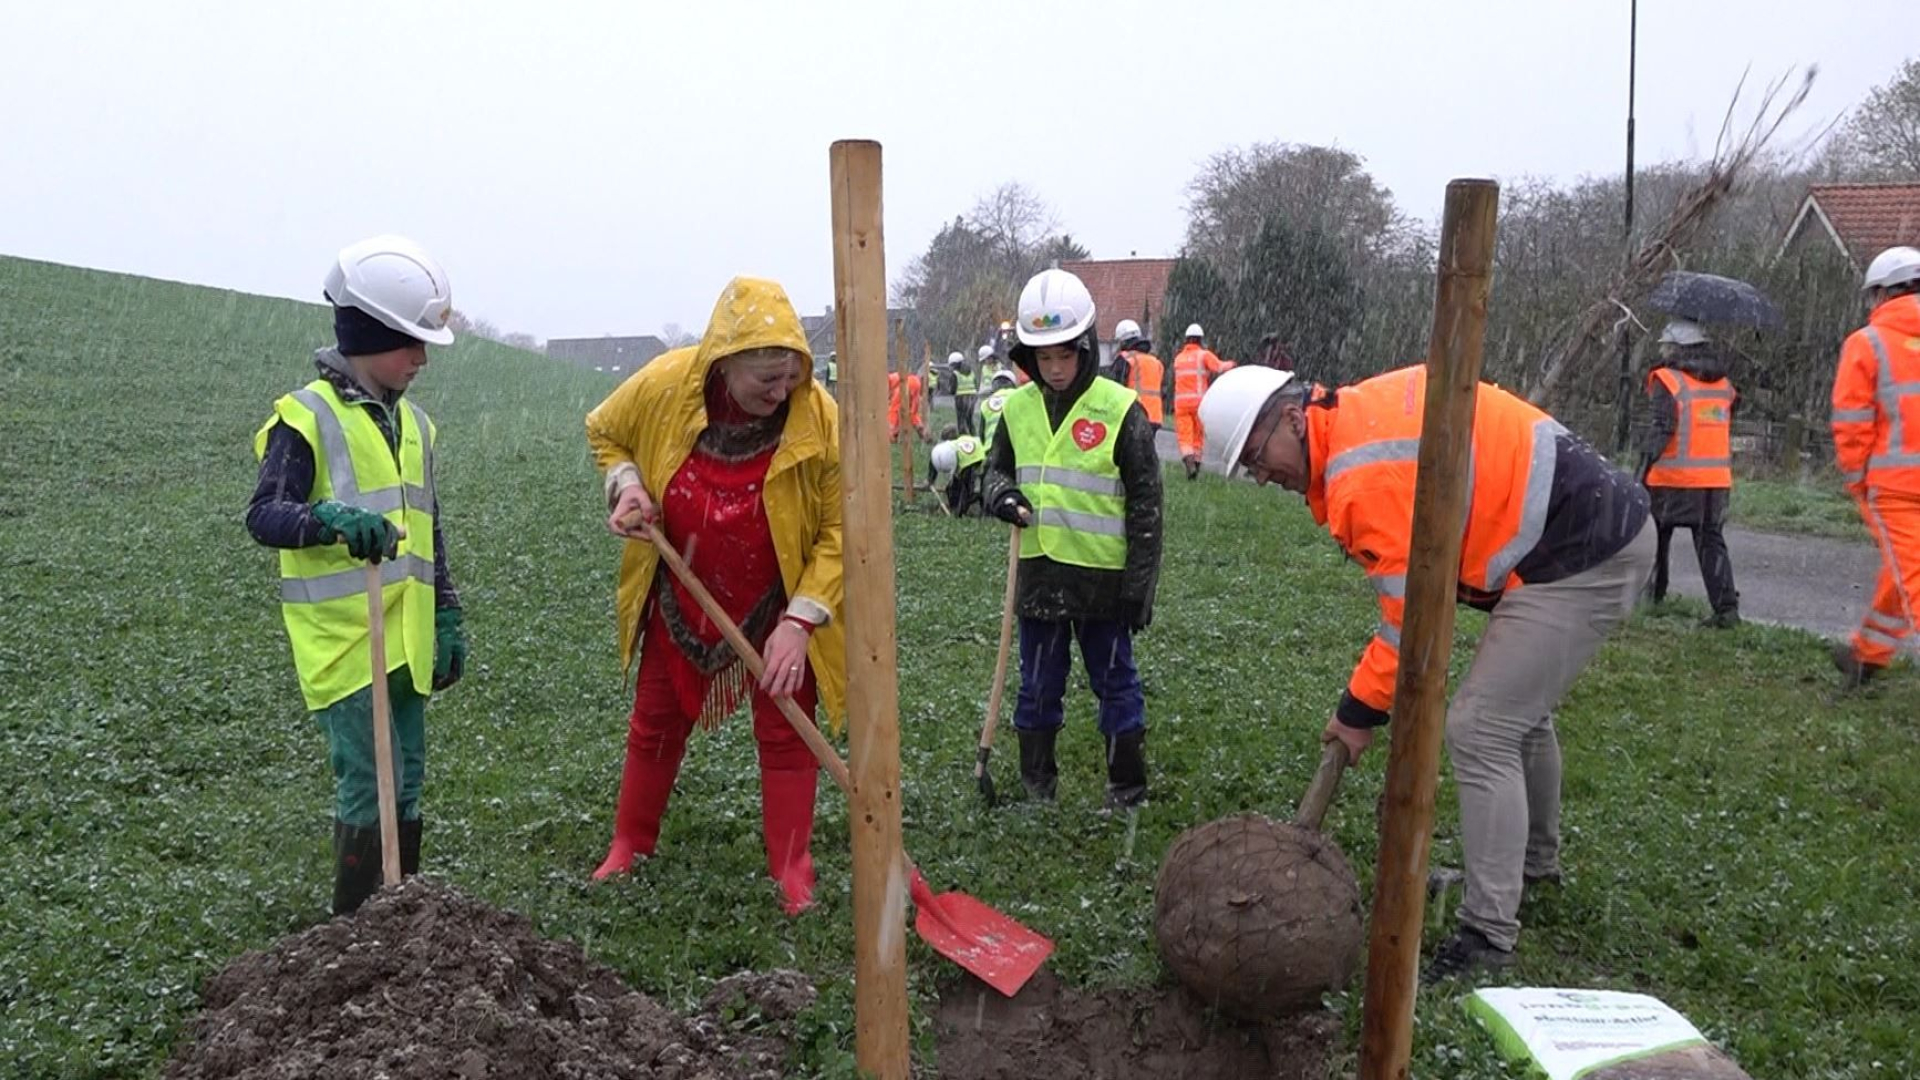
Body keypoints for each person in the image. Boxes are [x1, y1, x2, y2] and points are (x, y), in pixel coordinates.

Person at [1200, 363, 1652, 981]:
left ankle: (1489, 933)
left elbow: (1410, 623)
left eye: (1257, 456)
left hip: (1582, 551)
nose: (1263, 476)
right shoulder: (1353, 424)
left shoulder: (1362, 474)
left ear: (1290, 416)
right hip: (1584, 528)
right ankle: (1530, 867)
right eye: (1249, 470)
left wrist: (1356, 714)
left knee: (1482, 727)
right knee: (1520, 716)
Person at [584, 276, 846, 917]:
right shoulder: (665, 385)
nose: (781, 394)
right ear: (723, 364)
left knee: (788, 724)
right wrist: (627, 487)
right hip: (682, 587)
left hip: (777, 598)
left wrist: (800, 621)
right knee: (655, 718)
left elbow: (842, 530)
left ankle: (792, 867)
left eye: (790, 377)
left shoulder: (820, 418)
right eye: (766, 382)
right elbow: (604, 432)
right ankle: (628, 843)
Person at [246, 234, 467, 917]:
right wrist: (331, 522)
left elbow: (429, 527)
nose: (422, 359)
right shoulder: (306, 417)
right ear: (369, 335)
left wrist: (447, 611)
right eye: (411, 343)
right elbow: (265, 515)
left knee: (407, 781)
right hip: (344, 646)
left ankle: (401, 916)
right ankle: (355, 931)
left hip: (405, 639)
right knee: (368, 785)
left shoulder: (417, 427)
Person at [981, 269, 1163, 809]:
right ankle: (1038, 788)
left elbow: (1147, 504)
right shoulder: (1015, 409)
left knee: (1116, 686)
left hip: (1104, 584)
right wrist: (1001, 496)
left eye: (1065, 356)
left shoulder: (1120, 410)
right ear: (1027, 357)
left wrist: (1140, 588)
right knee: (1038, 688)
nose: (1055, 370)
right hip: (1040, 577)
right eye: (1043, 359)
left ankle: (1126, 789)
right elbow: (995, 471)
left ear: (1086, 347)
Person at [1831, 245, 1920, 689]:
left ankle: (1868, 654)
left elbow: (1851, 425)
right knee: (1905, 572)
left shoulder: (1866, 343)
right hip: (1900, 486)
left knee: (1913, 575)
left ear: (1884, 293)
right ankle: (1868, 654)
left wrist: (1857, 483)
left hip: (1897, 488)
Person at [1639, 319, 1740, 627]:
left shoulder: (1668, 381)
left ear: (1674, 348)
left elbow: (1663, 427)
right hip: (1715, 482)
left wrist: (1643, 464)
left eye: (1664, 345)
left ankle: (1652, 598)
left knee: (1655, 536)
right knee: (1710, 542)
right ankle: (1726, 611)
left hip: (1672, 479)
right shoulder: (1724, 384)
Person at [1171, 323, 1233, 479]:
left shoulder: (1178, 359)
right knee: (1198, 436)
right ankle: (1196, 468)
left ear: (1187, 340)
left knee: (1185, 436)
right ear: (1200, 340)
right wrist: (1233, 364)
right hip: (1199, 403)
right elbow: (1219, 367)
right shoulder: (1203, 355)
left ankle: (1189, 463)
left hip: (1181, 404)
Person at [1112, 319, 1166, 435]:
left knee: (1130, 452)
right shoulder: (1155, 362)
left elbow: (1116, 387)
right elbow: (1163, 390)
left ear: (1123, 342)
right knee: (1146, 451)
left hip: (1134, 415)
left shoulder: (1125, 359)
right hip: (1154, 416)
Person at [929, 432, 988, 516]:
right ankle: (955, 506)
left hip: (977, 459)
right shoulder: (942, 450)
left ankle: (980, 508)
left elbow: (965, 490)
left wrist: (958, 513)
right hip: (966, 453)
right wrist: (930, 479)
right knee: (952, 488)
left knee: (969, 490)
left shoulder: (968, 463)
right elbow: (934, 459)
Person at [888, 365, 928, 444]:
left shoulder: (887, 380)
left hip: (909, 384)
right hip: (914, 382)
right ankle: (921, 429)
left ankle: (891, 435)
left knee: (894, 410)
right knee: (912, 412)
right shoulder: (893, 377)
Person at [978, 368, 1018, 445]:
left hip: (991, 447)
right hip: (1014, 445)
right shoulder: (1018, 396)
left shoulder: (986, 403)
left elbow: (981, 434)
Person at [951, 350, 979, 434]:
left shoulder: (955, 374)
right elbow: (975, 384)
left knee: (961, 418)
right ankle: (973, 434)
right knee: (969, 418)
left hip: (961, 398)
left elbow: (952, 389)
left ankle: (963, 436)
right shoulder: (971, 372)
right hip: (972, 397)